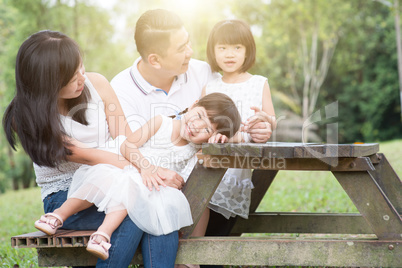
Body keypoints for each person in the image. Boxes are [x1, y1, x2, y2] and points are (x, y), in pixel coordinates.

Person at [2, 30, 183, 268]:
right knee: (138, 210)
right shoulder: (26, 117)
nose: (81, 77)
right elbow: (91, 157)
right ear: (46, 81)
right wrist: (150, 170)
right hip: (69, 198)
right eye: (71, 75)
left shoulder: (96, 83)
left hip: (117, 179)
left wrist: (152, 163)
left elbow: (126, 138)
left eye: (81, 67)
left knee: (159, 205)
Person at [33, 92, 241, 261]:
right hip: (129, 167)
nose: (197, 126)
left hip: (148, 186)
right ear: (194, 104)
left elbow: (217, 153)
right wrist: (146, 167)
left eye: (207, 129)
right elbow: (127, 145)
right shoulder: (161, 123)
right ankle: (57, 215)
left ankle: (101, 235)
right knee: (105, 185)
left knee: (148, 205)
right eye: (199, 115)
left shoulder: (196, 147)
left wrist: (218, 141)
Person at [196, 19, 277, 268]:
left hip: (235, 175)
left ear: (247, 50)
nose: (229, 54)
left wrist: (265, 124)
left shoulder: (258, 83)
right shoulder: (211, 86)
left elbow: (270, 120)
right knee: (199, 233)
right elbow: (201, 123)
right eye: (222, 48)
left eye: (237, 48)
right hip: (207, 169)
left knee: (217, 237)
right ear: (213, 51)